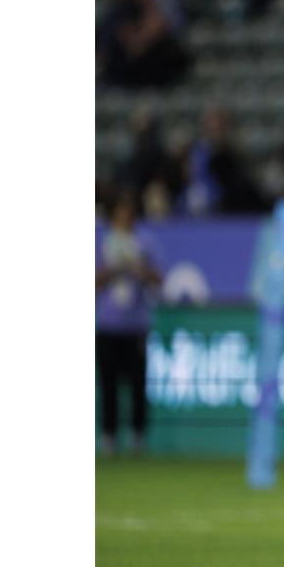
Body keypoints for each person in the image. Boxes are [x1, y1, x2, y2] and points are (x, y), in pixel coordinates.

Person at [96, 191, 164, 456]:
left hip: (136, 324)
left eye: (129, 212)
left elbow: (159, 279)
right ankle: (109, 438)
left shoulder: (145, 241)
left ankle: (138, 438)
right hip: (108, 324)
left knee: (137, 385)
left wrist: (139, 269)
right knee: (108, 385)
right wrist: (113, 270)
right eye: (120, 212)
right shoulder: (100, 240)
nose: (125, 217)